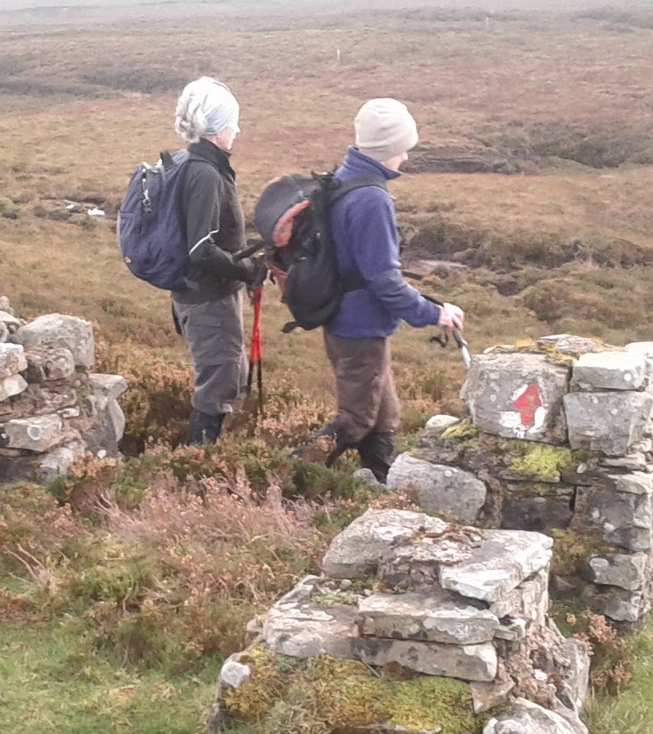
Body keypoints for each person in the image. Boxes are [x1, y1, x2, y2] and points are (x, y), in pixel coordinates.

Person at [298, 98, 464, 482]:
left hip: (346, 317)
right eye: (404, 147)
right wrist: (433, 313)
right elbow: (383, 280)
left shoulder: (345, 176)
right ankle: (290, 476)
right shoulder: (371, 198)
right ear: (389, 147)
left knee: (384, 417)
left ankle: (379, 484)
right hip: (360, 328)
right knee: (354, 420)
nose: (406, 156)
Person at [168, 77, 266, 444]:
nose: (236, 130)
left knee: (227, 374)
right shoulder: (205, 174)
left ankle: (206, 456)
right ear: (215, 127)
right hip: (207, 299)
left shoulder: (197, 164)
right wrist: (247, 269)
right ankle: (197, 464)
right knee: (218, 382)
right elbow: (200, 250)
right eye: (231, 123)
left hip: (205, 295)